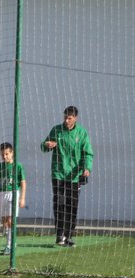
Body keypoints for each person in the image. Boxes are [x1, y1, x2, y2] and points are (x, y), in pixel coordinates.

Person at [42, 105, 93, 247]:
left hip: (74, 175)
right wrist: (47, 144)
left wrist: (87, 168)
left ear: (75, 118)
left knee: (72, 204)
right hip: (58, 173)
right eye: (65, 117)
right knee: (59, 203)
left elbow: (88, 153)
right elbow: (43, 146)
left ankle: (69, 235)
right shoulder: (56, 130)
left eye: (69, 118)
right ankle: (59, 235)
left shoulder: (82, 133)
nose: (66, 120)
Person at [0, 142, 27, 255]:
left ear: (12, 153)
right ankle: (10, 237)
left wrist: (22, 198)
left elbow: (23, 182)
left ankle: (9, 245)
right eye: (2, 155)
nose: (4, 157)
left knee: (11, 220)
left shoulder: (18, 166)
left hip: (13, 193)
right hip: (2, 194)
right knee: (4, 221)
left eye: (6, 154)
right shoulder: (0, 166)